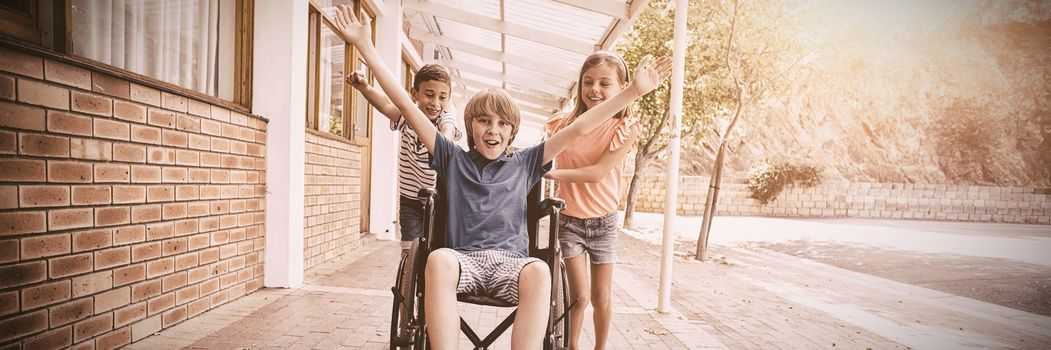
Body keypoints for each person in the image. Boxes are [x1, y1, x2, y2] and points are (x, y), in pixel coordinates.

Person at [331, 5, 670, 348]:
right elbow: (405, 105)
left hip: (513, 266)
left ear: (512, 132)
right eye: (484, 122)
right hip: (462, 260)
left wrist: (632, 93)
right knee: (437, 259)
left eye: (502, 124)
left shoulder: (526, 162)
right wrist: (365, 45)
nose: (493, 130)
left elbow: (580, 127)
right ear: (470, 127)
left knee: (540, 270)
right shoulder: (451, 157)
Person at [544, 51, 641, 349]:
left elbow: (598, 172)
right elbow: (544, 154)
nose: (594, 90)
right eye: (588, 82)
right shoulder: (563, 125)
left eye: (604, 83)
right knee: (580, 296)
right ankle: (571, 346)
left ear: (622, 87)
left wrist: (553, 176)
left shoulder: (625, 128)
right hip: (570, 219)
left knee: (602, 297)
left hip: (605, 222)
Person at [346, 64, 462, 254]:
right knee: (408, 249)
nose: (435, 103)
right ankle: (407, 277)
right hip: (410, 198)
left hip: (440, 198)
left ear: (448, 100)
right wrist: (364, 88)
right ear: (414, 94)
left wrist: (443, 142)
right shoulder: (408, 117)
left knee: (438, 249)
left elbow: (447, 131)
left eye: (442, 97)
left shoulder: (446, 117)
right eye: (429, 94)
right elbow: (385, 105)